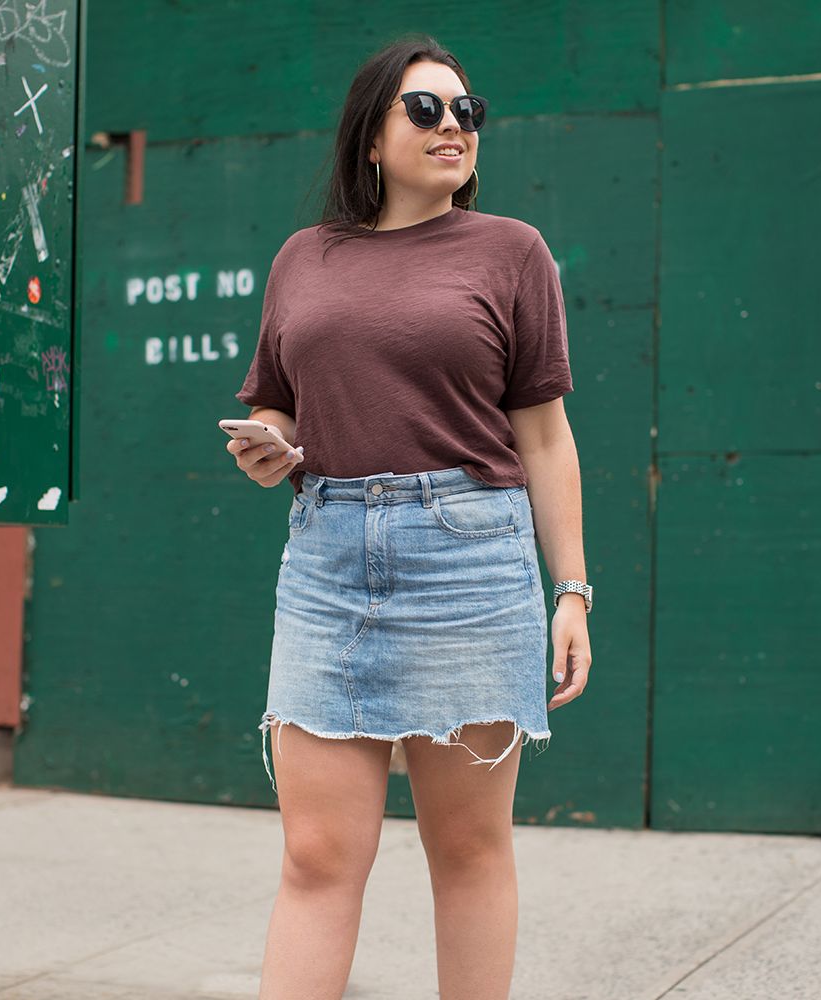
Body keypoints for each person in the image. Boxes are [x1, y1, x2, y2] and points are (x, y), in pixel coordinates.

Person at [228, 33, 593, 1000]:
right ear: (371, 137)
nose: (452, 127)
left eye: (467, 112)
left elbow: (546, 440)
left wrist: (573, 592)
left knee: (467, 851)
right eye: (424, 109)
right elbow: (277, 402)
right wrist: (268, 445)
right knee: (315, 856)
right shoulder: (304, 257)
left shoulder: (512, 252)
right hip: (326, 559)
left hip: (468, 557)